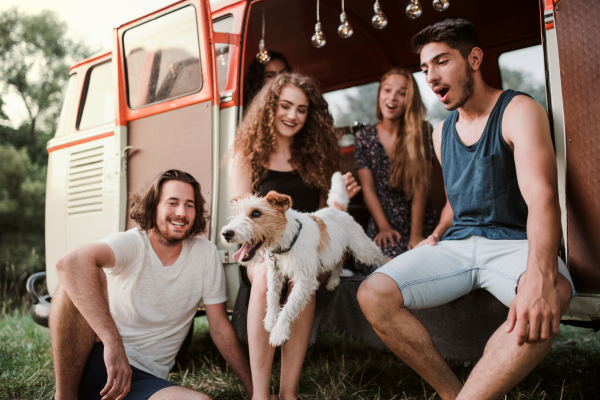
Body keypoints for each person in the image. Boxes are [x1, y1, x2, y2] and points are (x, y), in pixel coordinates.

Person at [357, 19, 576, 400]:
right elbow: (456, 203)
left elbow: (542, 196)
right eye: (425, 69)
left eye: (441, 62)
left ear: (474, 58)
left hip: (512, 243)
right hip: (457, 245)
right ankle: (450, 392)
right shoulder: (441, 133)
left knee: (554, 291)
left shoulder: (518, 110)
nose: (431, 76)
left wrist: (539, 275)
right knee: (372, 293)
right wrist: (435, 236)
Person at [49, 170, 253, 400]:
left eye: (189, 205)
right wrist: (113, 344)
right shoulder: (134, 243)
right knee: (77, 279)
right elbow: (70, 263)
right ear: (153, 206)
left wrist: (256, 392)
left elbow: (219, 327)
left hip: (143, 379)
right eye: (172, 203)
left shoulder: (205, 254)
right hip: (96, 356)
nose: (181, 212)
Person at [231, 73, 360, 400]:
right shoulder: (246, 154)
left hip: (305, 246)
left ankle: (289, 393)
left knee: (301, 276)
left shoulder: (315, 156)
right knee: (264, 276)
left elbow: (322, 218)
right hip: (259, 248)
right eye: (285, 106)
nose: (292, 115)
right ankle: (261, 394)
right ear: (269, 107)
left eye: (301, 109)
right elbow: (245, 218)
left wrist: (339, 205)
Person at [355, 67, 439, 263]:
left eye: (402, 93)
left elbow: (421, 187)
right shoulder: (364, 137)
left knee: (421, 260)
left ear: (410, 100)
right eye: (387, 90)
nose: (392, 98)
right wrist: (383, 227)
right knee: (385, 264)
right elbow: (368, 190)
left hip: (419, 220)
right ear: (379, 94)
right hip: (382, 220)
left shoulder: (423, 131)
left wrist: (416, 234)